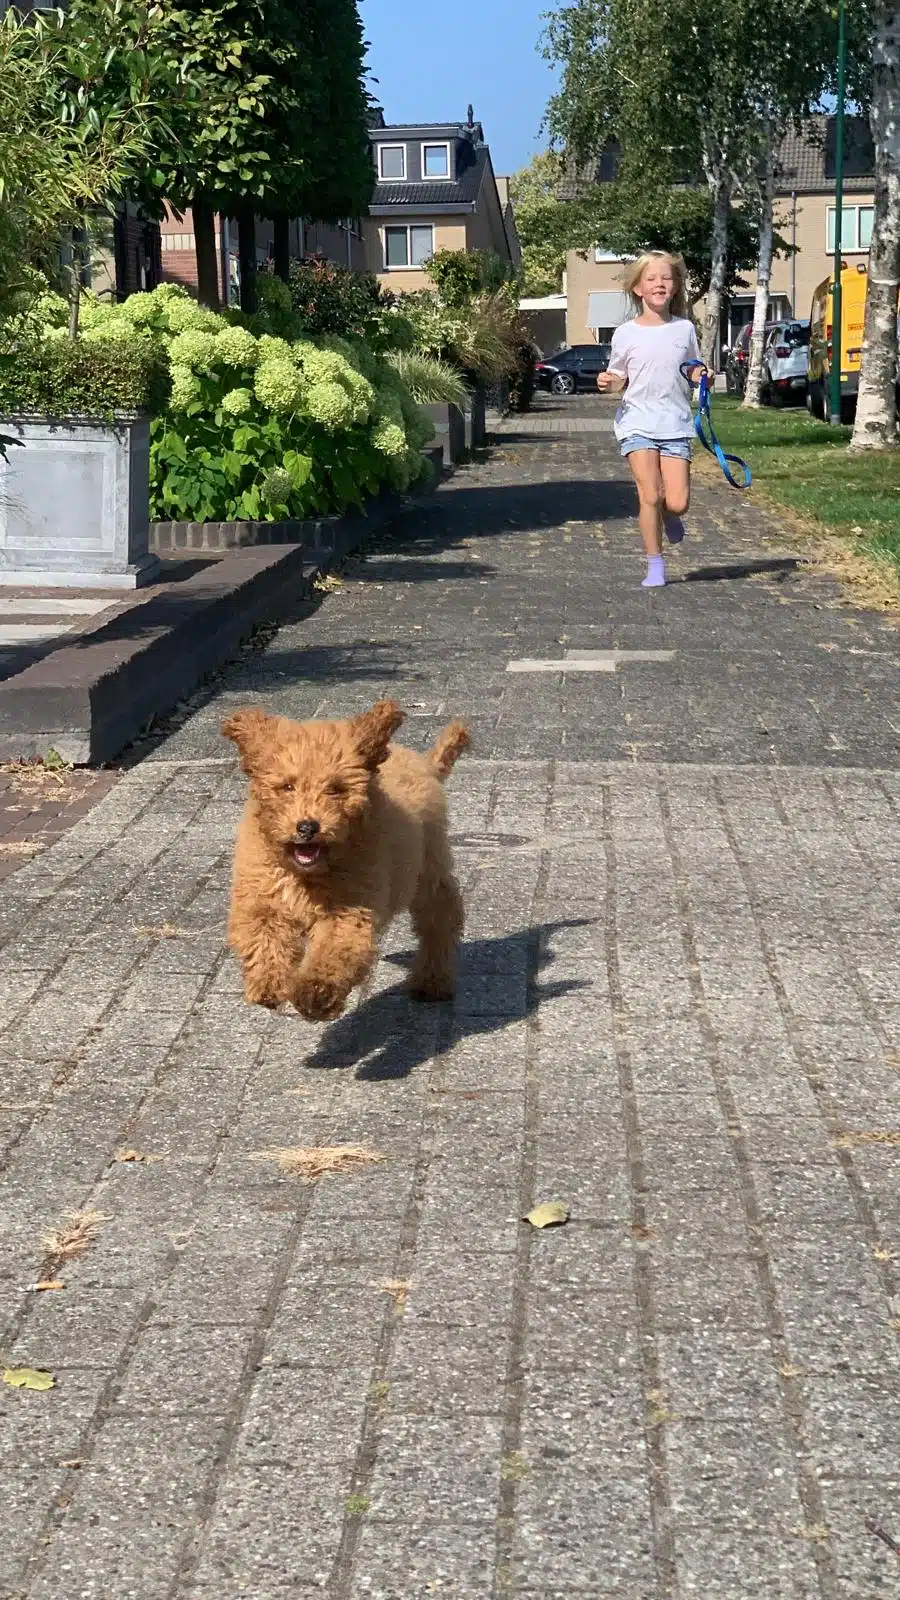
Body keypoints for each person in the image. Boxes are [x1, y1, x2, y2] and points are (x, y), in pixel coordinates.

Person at [597, 251, 707, 588]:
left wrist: (701, 373)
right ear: (637, 288)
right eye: (651, 279)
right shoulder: (626, 333)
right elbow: (618, 376)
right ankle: (655, 565)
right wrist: (608, 382)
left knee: (677, 501)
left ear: (675, 287)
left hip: (674, 422)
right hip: (637, 422)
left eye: (666, 278)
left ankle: (670, 516)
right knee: (650, 494)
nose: (659, 283)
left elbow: (690, 366)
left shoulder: (684, 329)